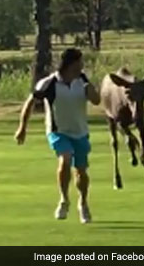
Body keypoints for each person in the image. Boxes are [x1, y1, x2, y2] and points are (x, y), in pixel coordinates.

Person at [14, 48, 101, 224]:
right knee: (65, 158)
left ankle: (83, 204)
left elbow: (96, 101)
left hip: (80, 132)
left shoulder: (83, 80)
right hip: (58, 131)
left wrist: (91, 90)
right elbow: (31, 102)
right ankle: (63, 200)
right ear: (70, 64)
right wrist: (22, 127)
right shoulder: (49, 83)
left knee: (81, 171)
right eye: (79, 62)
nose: (82, 66)